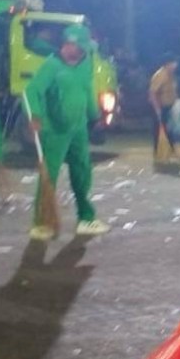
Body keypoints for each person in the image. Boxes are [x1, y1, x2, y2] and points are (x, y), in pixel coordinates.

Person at [24, 25, 110, 240]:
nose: (83, 51)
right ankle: (41, 223)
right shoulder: (52, 66)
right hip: (55, 131)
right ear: (68, 44)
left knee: (82, 172)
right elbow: (32, 91)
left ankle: (86, 218)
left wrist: (94, 115)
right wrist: (35, 116)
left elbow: (86, 89)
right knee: (49, 176)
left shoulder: (85, 63)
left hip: (78, 128)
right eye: (79, 47)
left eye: (84, 47)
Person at [148, 54, 180, 159]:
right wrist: (157, 109)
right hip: (160, 107)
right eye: (174, 63)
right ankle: (159, 153)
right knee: (159, 131)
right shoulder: (160, 75)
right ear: (168, 64)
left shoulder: (170, 74)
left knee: (167, 130)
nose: (176, 65)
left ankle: (170, 151)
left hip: (168, 107)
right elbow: (153, 93)